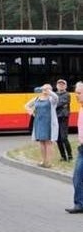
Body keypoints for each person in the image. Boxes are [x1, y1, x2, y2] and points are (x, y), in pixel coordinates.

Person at [25, 83, 59, 168]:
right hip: (39, 123)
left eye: (48, 89)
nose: (45, 90)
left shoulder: (52, 100)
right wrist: (32, 112)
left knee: (48, 142)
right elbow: (26, 106)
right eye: (44, 88)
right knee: (41, 142)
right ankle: (43, 161)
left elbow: (56, 97)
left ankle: (49, 162)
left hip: (49, 123)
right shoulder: (37, 98)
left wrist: (49, 92)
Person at [65, 81, 83, 214]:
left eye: (79, 93)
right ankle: (79, 204)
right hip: (81, 149)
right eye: (76, 92)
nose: (76, 95)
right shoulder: (81, 108)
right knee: (77, 177)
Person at [55, 79, 72, 162]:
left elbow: (58, 104)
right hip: (56, 118)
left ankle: (70, 156)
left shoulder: (67, 94)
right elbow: (56, 104)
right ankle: (63, 156)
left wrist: (56, 104)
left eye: (63, 84)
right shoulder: (54, 94)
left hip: (63, 118)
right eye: (59, 84)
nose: (61, 85)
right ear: (56, 86)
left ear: (65, 86)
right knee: (57, 139)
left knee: (64, 138)